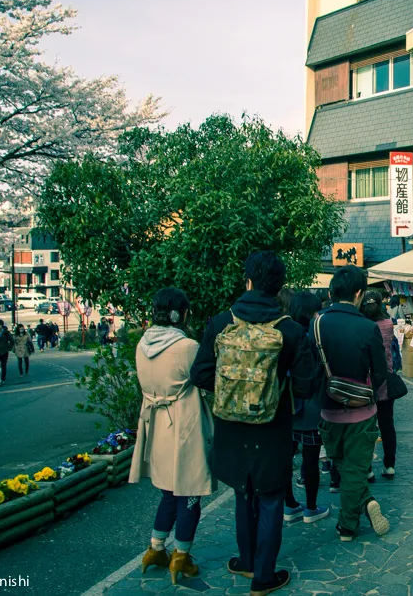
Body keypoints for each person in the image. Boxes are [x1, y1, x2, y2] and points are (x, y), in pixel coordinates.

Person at [190, 251, 315, 595]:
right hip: (272, 429)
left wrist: (232, 388)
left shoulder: (220, 323)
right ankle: (263, 576)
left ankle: (246, 562)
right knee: (271, 497)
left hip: (231, 429)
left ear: (247, 281)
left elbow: (200, 374)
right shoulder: (289, 330)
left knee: (243, 493)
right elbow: (307, 383)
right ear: (278, 288)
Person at [130, 288, 215, 585]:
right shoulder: (187, 347)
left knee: (167, 491)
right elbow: (207, 378)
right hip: (185, 423)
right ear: (183, 313)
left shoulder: (142, 345)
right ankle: (181, 555)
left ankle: (155, 549)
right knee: (190, 492)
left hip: (156, 423)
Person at [313, 265, 390, 542]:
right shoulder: (368, 327)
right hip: (362, 410)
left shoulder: (317, 323)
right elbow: (381, 372)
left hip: (328, 408)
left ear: (333, 291)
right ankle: (350, 522)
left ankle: (353, 516)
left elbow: (310, 369)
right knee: (355, 468)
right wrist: (365, 388)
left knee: (342, 464)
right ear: (359, 293)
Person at [283, 290, 330, 525]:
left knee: (285, 457)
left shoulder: (283, 334)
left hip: (285, 407)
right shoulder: (313, 337)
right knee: (310, 459)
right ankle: (311, 508)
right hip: (310, 406)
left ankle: (290, 504)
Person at [360, 289, 403, 480]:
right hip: (385, 378)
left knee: (367, 426)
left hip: (365, 381)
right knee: (387, 424)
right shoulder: (387, 324)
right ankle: (389, 465)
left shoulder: (361, 325)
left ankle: (367, 468)